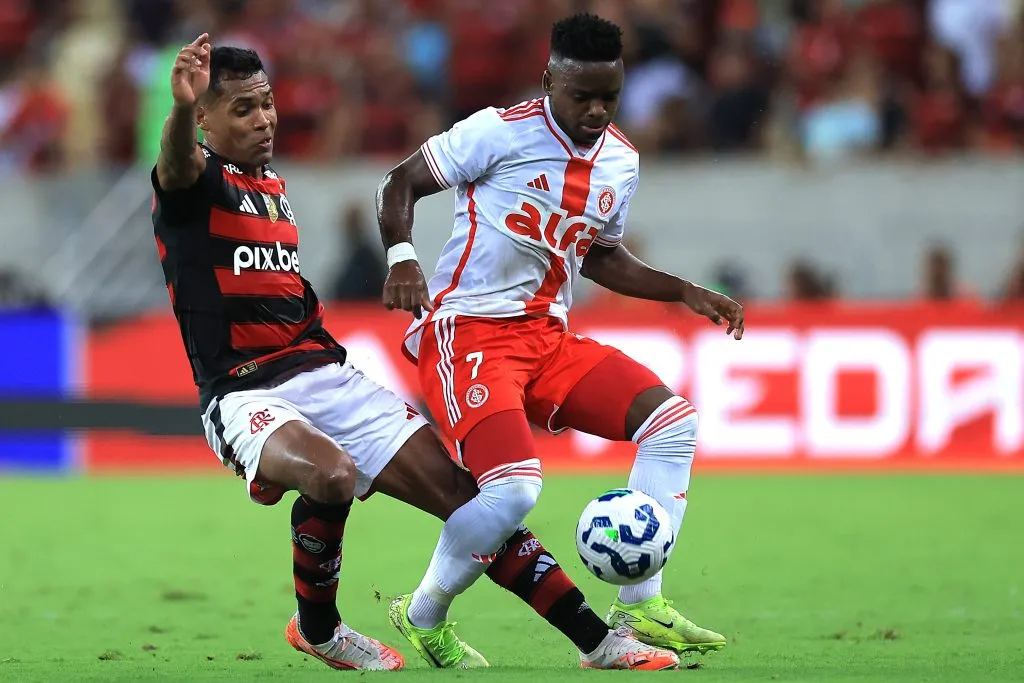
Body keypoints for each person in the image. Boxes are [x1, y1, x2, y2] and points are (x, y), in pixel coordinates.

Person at [151, 34, 674, 673]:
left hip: (324, 371)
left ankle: (599, 642)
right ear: (203, 119)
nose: (263, 119)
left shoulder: (272, 185)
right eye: (242, 109)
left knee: (469, 498)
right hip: (244, 390)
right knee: (333, 474)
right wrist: (177, 111)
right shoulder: (193, 185)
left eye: (266, 103)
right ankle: (319, 629)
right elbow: (176, 167)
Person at [377, 12, 743, 664]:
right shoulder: (498, 131)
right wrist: (403, 255)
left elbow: (600, 256)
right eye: (583, 96)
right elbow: (399, 181)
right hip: (470, 334)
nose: (598, 110)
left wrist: (683, 289)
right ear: (550, 79)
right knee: (514, 490)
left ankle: (639, 604)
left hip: (548, 336)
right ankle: (424, 611)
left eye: (611, 96)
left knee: (673, 423)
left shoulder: (621, 162)